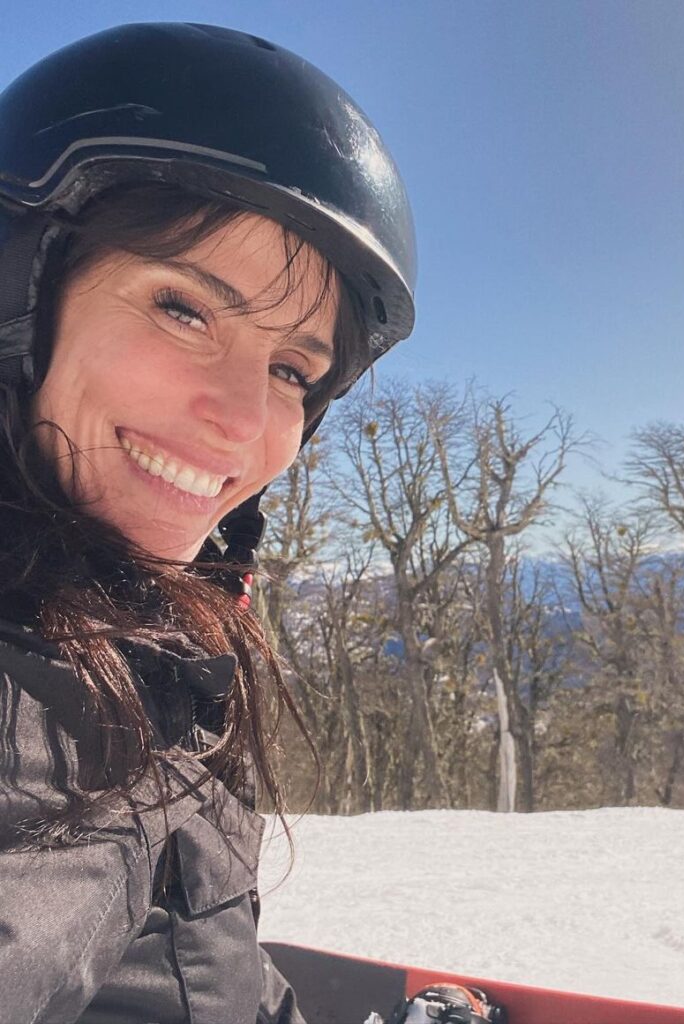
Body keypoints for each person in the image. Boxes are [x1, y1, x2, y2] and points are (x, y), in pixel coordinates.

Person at [0, 23, 415, 1024]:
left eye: (291, 369)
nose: (239, 420)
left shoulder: (147, 652)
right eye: (183, 308)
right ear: (21, 300)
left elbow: (200, 969)